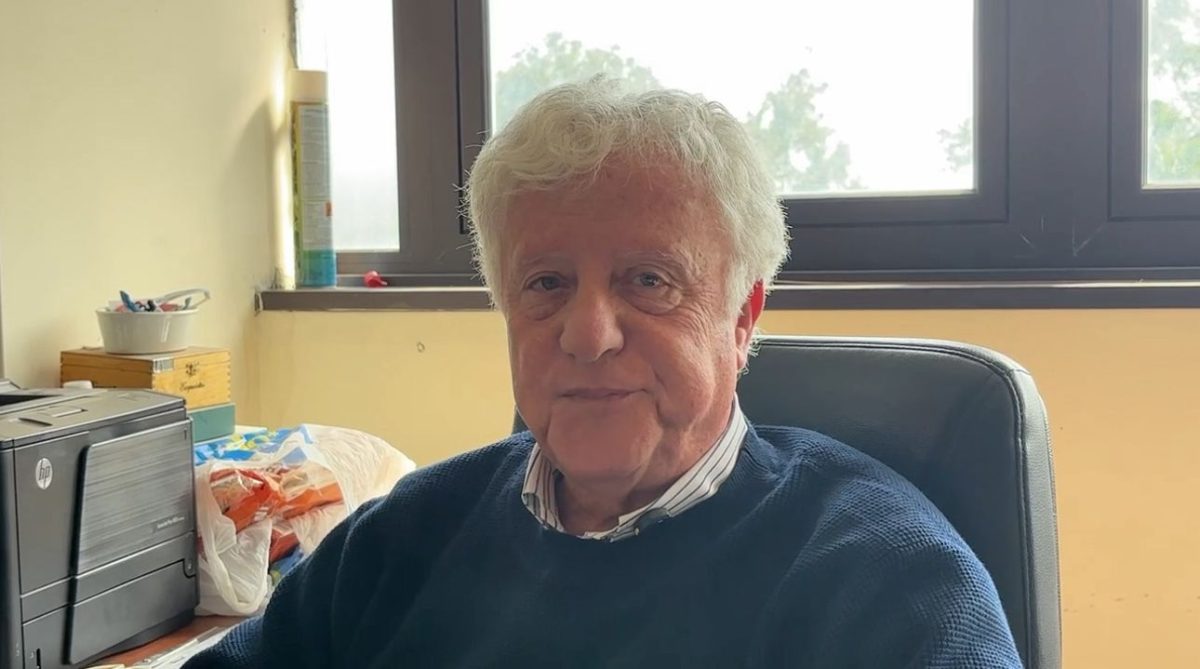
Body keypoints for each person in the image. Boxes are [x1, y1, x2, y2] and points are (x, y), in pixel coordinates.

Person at [186, 78, 1021, 668]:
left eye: (648, 280)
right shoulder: (400, 541)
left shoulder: (892, 584)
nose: (587, 333)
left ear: (741, 317)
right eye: (546, 282)